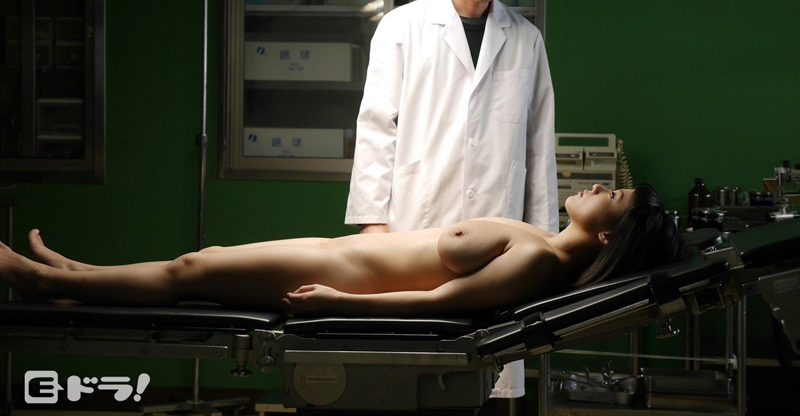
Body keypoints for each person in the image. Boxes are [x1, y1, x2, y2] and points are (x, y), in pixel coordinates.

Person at [0, 185, 686, 316]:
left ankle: (42, 281)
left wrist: (337, 305)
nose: (600, 186)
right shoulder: (540, 237)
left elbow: (443, 302)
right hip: (337, 254)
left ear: (609, 236)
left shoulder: (541, 261)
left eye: (614, 196)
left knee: (191, 272)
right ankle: (78, 275)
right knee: (203, 259)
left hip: (338, 278)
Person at [345, 0, 558, 235]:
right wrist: (373, 223)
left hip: (499, 224)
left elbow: (539, 145)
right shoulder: (401, 27)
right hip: (417, 220)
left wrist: (544, 237)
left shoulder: (527, 39)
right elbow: (377, 128)